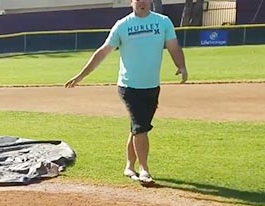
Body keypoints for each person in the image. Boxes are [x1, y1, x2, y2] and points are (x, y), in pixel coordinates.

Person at [65, 0, 187, 184]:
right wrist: (81, 75)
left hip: (152, 86)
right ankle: (144, 169)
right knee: (141, 128)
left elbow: (173, 46)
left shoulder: (163, 22)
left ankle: (129, 166)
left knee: (138, 128)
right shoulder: (123, 25)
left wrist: (181, 66)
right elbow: (103, 51)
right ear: (132, 2)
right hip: (129, 86)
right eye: (138, 0)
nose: (142, 3)